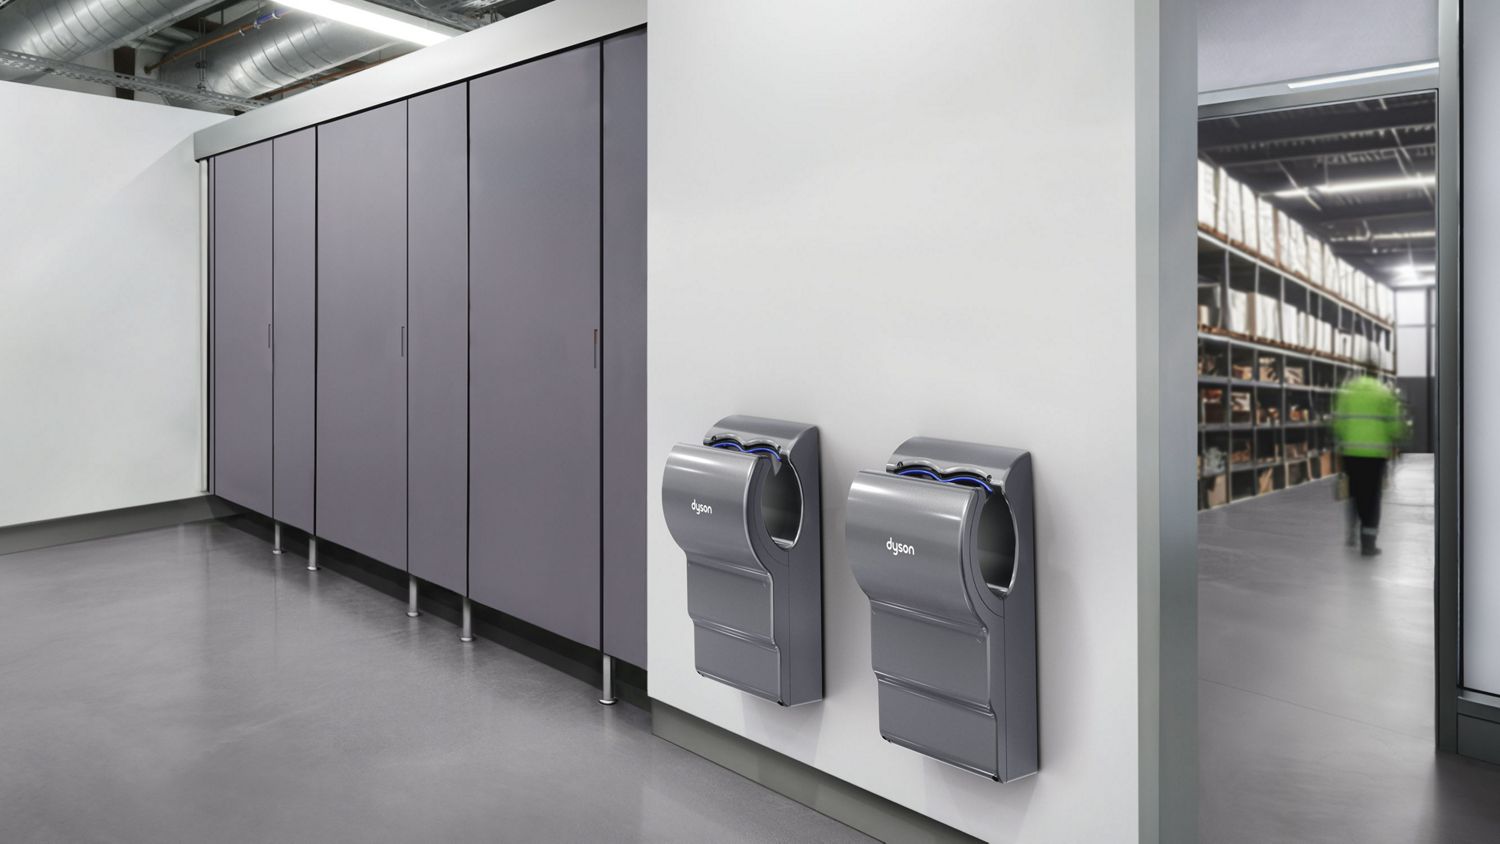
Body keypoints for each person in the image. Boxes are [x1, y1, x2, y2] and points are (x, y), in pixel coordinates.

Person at [1333, 371, 1405, 556]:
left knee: (1355, 494)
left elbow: (1338, 423)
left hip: (1351, 452)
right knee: (1372, 499)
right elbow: (1394, 425)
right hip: (1375, 454)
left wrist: (1341, 440)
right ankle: (1368, 544)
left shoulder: (1348, 391)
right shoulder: (1384, 392)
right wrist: (1395, 438)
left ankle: (1351, 533)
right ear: (1377, 375)